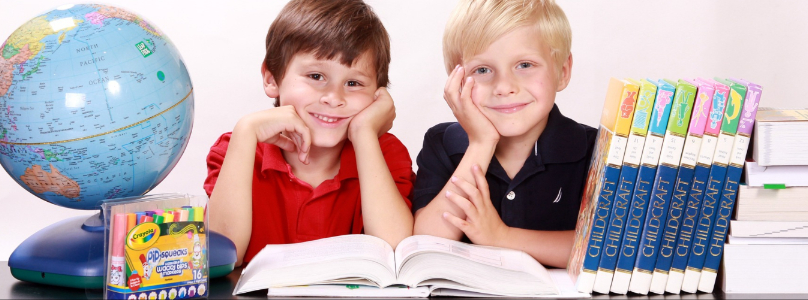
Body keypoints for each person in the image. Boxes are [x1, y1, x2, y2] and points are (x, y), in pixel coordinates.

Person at [204, 0, 414, 265]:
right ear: (271, 79)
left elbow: (396, 254)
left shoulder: (383, 153)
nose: (333, 97)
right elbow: (223, 258)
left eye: (353, 83)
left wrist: (363, 134)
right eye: (316, 76)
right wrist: (245, 131)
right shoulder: (236, 149)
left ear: (377, 95)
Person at [412, 0, 597, 268]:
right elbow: (427, 244)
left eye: (524, 65)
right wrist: (480, 143)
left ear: (563, 71)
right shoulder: (442, 143)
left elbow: (603, 249)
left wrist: (501, 237)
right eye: (482, 70)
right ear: (458, 81)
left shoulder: (593, 149)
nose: (504, 87)